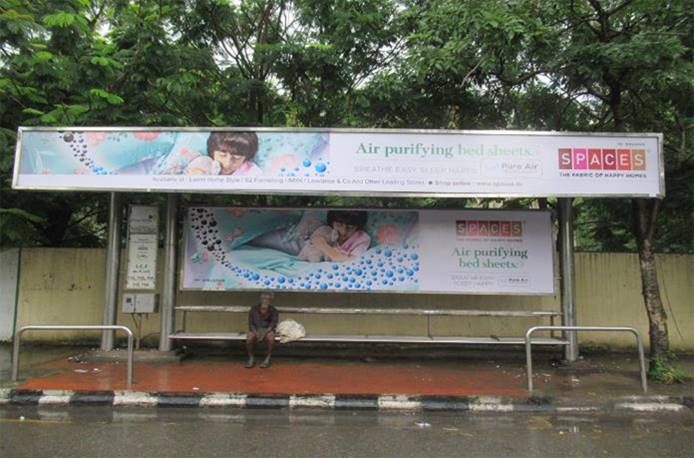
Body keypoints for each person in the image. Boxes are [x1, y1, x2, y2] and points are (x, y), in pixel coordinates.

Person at [297, 210, 371, 262]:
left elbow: (351, 263)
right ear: (332, 223)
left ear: (357, 227)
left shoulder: (362, 239)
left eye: (350, 227)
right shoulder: (327, 231)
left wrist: (325, 247)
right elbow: (314, 242)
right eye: (339, 225)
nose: (343, 232)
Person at [186, 132, 262, 176]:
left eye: (237, 158)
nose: (227, 163)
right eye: (222, 156)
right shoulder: (205, 163)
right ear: (212, 153)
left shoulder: (251, 171)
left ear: (246, 158)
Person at [246, 291, 278, 368]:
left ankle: (268, 358)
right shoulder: (253, 309)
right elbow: (251, 323)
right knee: (249, 338)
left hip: (267, 330)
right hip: (256, 329)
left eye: (267, 299)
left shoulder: (274, 310)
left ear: (270, 300)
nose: (265, 300)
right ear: (260, 299)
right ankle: (251, 357)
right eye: (263, 298)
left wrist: (264, 334)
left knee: (271, 339)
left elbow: (272, 325)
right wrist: (256, 333)